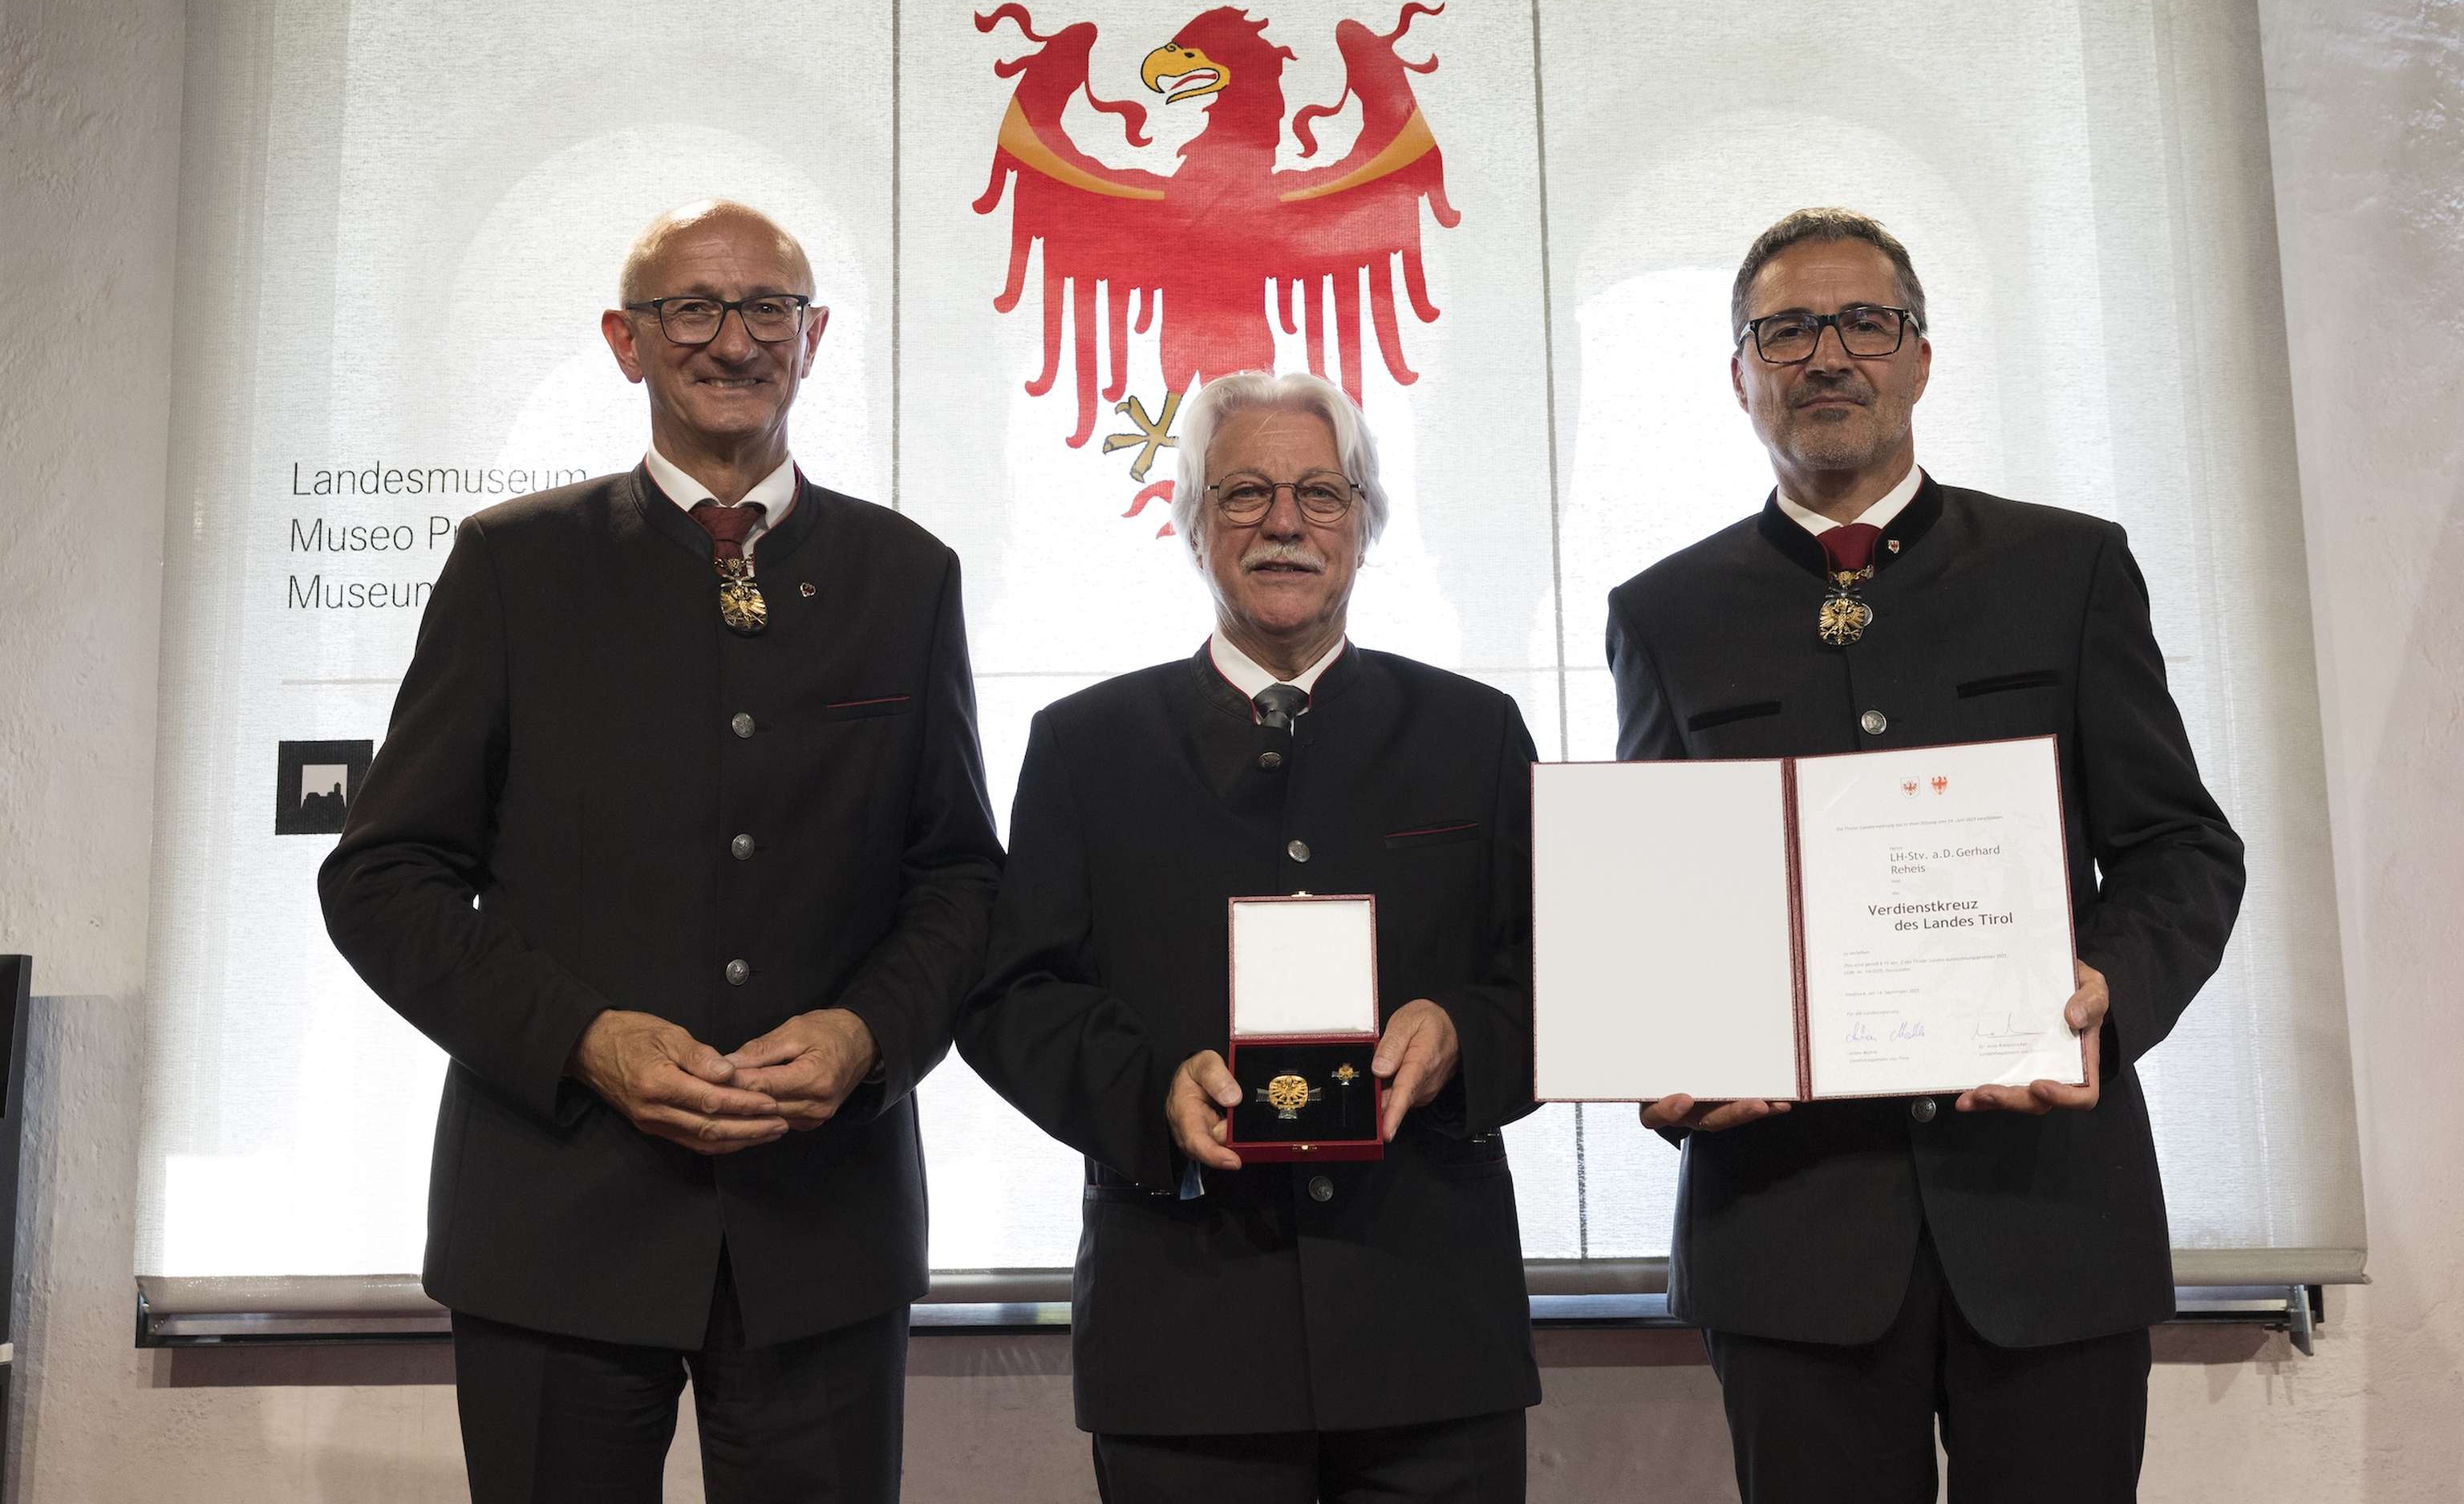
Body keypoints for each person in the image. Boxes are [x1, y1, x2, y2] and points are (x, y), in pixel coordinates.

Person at [320, 199, 1000, 1502]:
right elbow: (383, 878)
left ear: (815, 339)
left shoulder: (907, 576)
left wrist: (865, 1037)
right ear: (627, 343)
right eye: (693, 308)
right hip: (552, 1222)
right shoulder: (513, 567)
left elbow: (960, 878)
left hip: (823, 1230)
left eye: (768, 310)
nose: (732, 341)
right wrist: (584, 1039)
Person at [1607, 207, 2245, 1502]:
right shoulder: (1664, 612)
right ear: (1740, 376)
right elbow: (1659, 899)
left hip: (2050, 1217)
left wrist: (2105, 1001)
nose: (1828, 355)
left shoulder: (2065, 568)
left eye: (1865, 322)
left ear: (1921, 357)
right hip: (1789, 1233)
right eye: (1786, 329)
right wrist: (1655, 1049)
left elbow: (2182, 849)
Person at [958, 371, 1540, 1502]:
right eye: (1244, 495)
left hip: (1430, 1329)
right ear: (1189, 528)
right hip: (1182, 1339)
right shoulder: (1086, 747)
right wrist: (1149, 1094)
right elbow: (1012, 996)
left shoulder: (1476, 735)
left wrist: (1464, 1029)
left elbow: (1557, 972)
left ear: (1365, 527)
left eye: (1321, 493)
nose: (1284, 523)